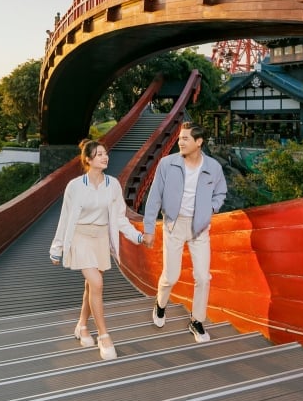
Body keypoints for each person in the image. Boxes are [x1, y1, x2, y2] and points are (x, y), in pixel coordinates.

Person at [49, 139, 146, 361]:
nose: (105, 157)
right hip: (81, 238)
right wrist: (57, 248)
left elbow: (120, 218)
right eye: (100, 154)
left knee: (91, 286)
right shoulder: (74, 186)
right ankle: (104, 336)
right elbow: (65, 218)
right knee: (98, 284)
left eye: (106, 153)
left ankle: (82, 325)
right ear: (88, 160)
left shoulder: (112, 184)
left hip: (101, 239)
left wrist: (137, 236)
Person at [142, 122, 227, 343]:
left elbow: (221, 193)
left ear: (199, 142)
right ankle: (160, 304)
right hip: (173, 225)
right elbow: (154, 197)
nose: (180, 142)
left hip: (199, 228)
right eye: (180, 138)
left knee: (202, 277)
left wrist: (210, 208)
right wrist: (149, 229)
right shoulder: (167, 164)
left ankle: (197, 321)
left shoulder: (213, 167)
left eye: (186, 138)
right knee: (171, 275)